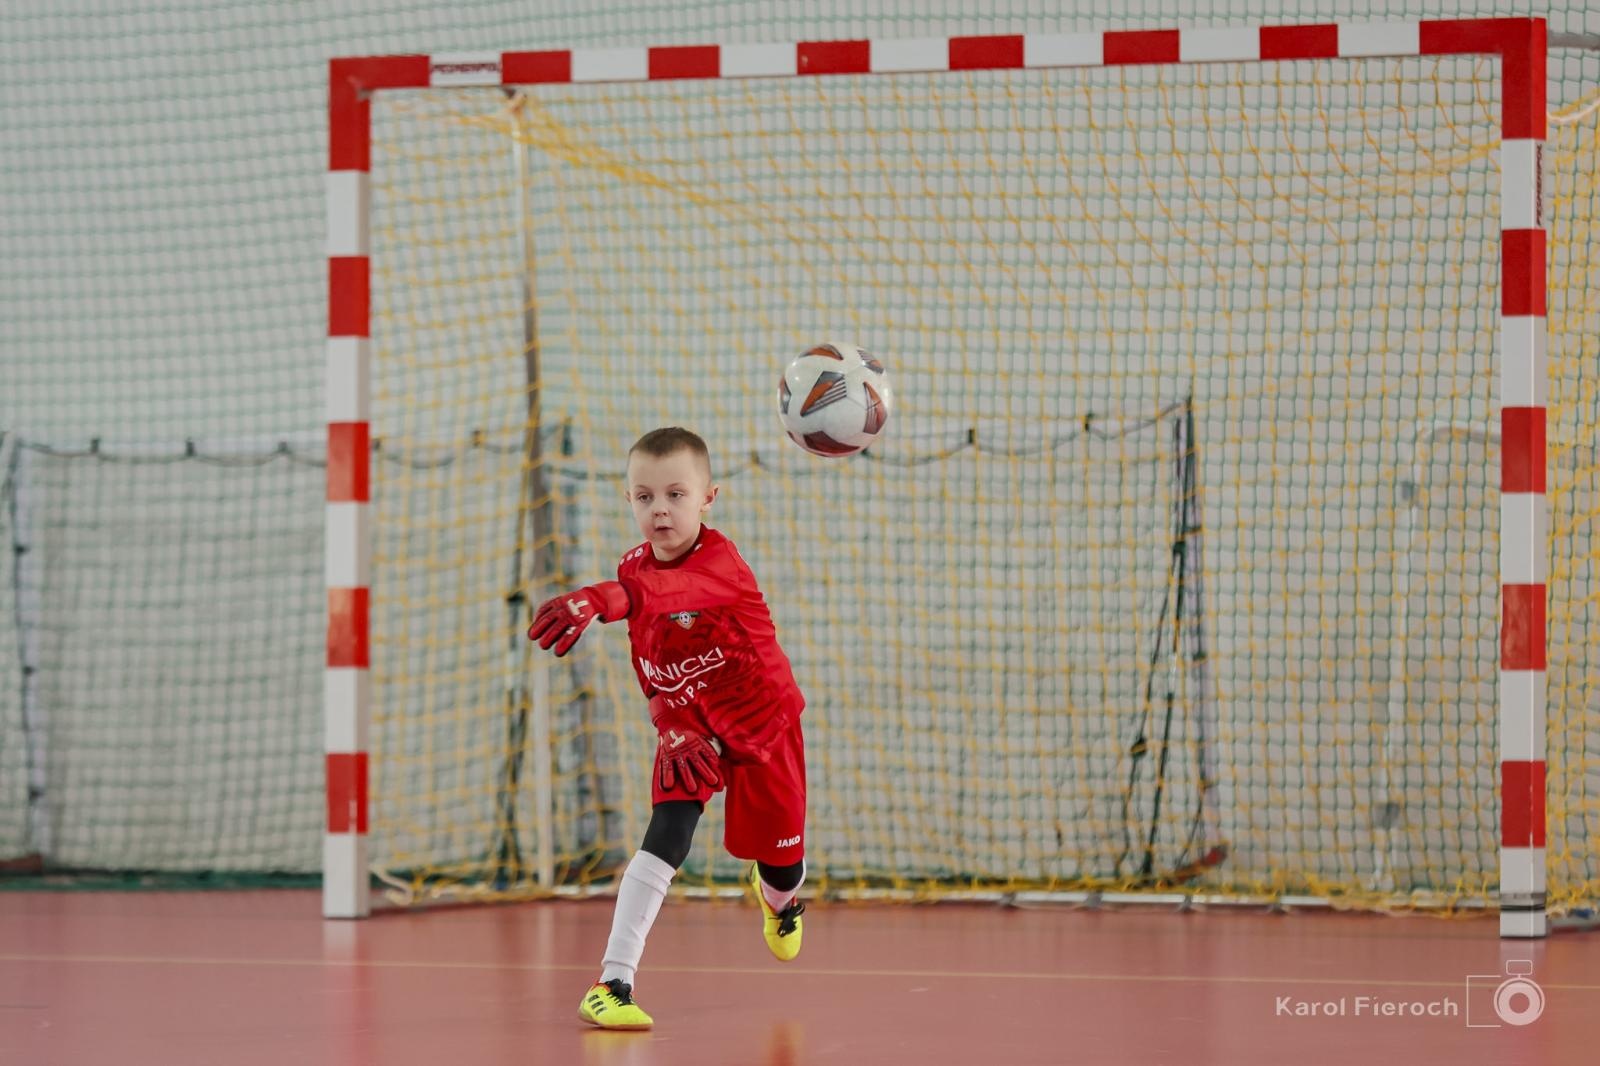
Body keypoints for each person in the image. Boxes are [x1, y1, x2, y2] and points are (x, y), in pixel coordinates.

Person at [527, 426, 808, 1031]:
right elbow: (649, 659)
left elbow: (655, 594)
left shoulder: (720, 566)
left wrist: (599, 598)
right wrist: (668, 722)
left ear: (708, 498)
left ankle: (779, 899)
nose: (660, 510)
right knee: (668, 833)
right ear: (628, 500)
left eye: (676, 495)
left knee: (783, 863)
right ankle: (613, 983)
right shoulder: (633, 566)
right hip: (690, 727)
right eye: (644, 496)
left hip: (763, 723)